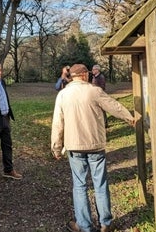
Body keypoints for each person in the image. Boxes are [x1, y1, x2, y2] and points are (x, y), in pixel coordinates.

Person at [51, 64, 136, 232]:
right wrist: (129, 118)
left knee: (80, 185)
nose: (89, 76)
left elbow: (57, 123)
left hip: (74, 146)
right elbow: (114, 106)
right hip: (95, 145)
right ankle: (105, 223)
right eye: (88, 74)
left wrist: (56, 147)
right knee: (100, 183)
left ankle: (83, 225)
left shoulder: (63, 95)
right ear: (83, 75)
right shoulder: (94, 91)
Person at [0, 61, 23, 185]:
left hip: (5, 117)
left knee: (7, 145)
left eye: (1, 70)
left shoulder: (2, 81)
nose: (0, 73)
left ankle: (8, 169)